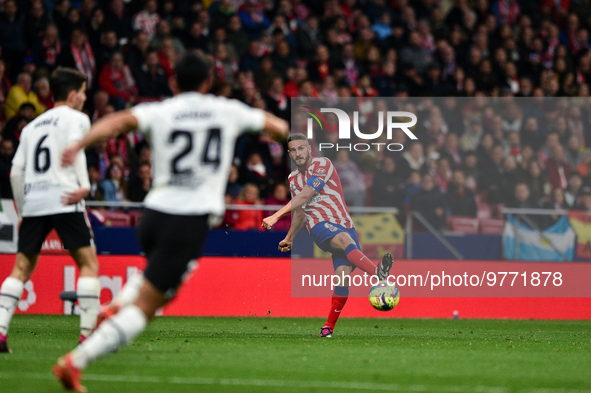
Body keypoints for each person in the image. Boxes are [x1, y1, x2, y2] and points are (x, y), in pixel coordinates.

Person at [52, 52, 289, 392]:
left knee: (167, 278)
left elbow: (117, 122)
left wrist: (79, 144)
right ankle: (76, 362)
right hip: (188, 220)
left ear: (173, 80)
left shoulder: (159, 110)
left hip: (153, 216)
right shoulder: (227, 111)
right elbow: (279, 128)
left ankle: (119, 302)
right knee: (149, 308)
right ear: (209, 81)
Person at [0, 67, 100, 353]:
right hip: (65, 197)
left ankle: (0, 331)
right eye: (82, 92)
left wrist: (22, 210)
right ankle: (86, 336)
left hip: (34, 202)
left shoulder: (31, 126)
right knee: (88, 264)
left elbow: (15, 173)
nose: (84, 97)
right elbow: (75, 148)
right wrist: (84, 184)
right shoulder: (78, 118)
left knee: (20, 267)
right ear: (72, 95)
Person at [262, 133, 393, 339]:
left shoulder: (323, 164)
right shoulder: (293, 178)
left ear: (309, 149)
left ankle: (328, 327)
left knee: (341, 278)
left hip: (345, 225)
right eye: (294, 150)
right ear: (289, 154)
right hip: (320, 226)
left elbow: (305, 196)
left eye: (301, 148)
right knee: (344, 241)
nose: (298, 153)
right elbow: (301, 210)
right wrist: (289, 234)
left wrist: (280, 224)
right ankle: (378, 272)